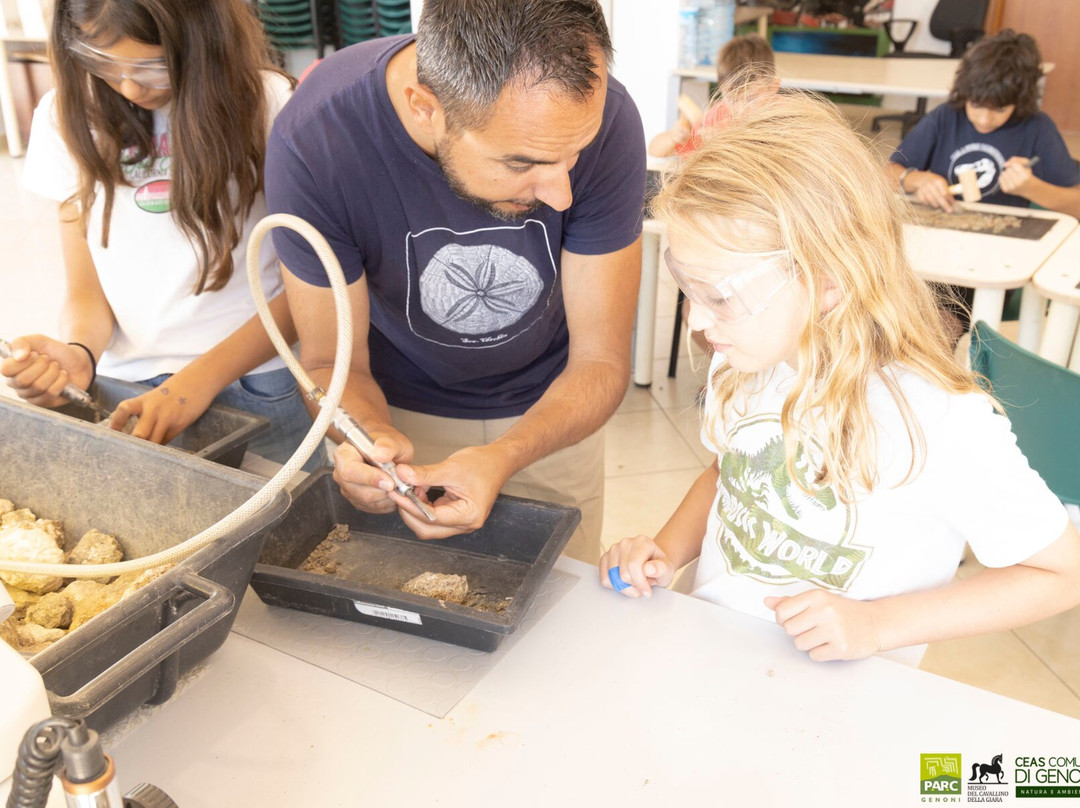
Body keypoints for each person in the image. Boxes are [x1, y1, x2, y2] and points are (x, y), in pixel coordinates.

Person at [601, 88, 1080, 665]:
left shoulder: (937, 418)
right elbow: (726, 468)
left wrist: (876, 624)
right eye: (687, 289)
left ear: (828, 281)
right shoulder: (745, 357)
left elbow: (1061, 574)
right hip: (712, 665)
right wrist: (665, 550)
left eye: (720, 296)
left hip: (837, 712)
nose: (698, 321)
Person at [264, 0, 645, 562]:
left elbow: (601, 361)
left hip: (556, 414)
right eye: (522, 164)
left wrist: (506, 455)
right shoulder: (317, 140)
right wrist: (367, 439)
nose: (561, 195)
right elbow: (328, 362)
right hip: (399, 415)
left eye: (574, 156)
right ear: (426, 109)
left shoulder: (603, 117)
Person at [1, 0, 324, 469]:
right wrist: (79, 354)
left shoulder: (270, 102)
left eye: (153, 66)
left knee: (286, 525)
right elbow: (87, 290)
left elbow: (313, 286)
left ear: (205, 38)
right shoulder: (65, 115)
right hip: (125, 383)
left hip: (258, 380)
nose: (130, 86)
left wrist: (200, 379)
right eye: (104, 62)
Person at [888, 30, 1080, 218]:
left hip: (1005, 233)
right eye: (976, 105)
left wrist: (1033, 189)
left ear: (1019, 101)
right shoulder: (946, 116)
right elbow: (886, 175)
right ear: (964, 94)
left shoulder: (1037, 127)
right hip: (944, 221)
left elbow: (1077, 205)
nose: (984, 120)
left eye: (1000, 109)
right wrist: (916, 180)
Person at [648, 34, 776, 159]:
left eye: (751, 98)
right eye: (732, 99)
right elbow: (653, 150)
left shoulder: (784, 118)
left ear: (773, 87)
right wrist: (674, 136)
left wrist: (725, 143)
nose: (742, 108)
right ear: (721, 90)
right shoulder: (718, 117)